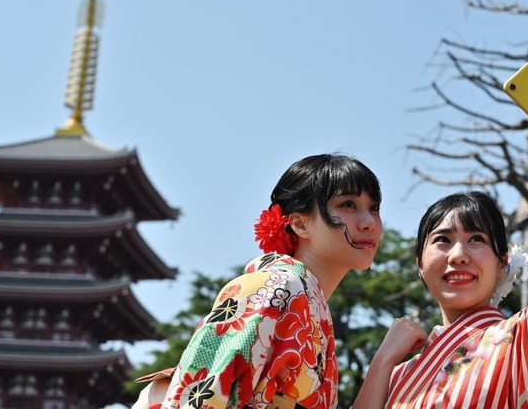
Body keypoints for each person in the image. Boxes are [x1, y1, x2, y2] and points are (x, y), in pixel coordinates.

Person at [353, 89, 528, 408]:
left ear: (502, 264)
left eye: (477, 240)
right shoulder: (399, 374)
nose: (458, 255)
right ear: (420, 266)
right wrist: (384, 359)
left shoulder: (521, 337)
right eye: (442, 240)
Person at [132, 153, 383, 409]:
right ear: (300, 223)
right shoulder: (275, 286)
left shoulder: (308, 303)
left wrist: (384, 359)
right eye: (348, 204)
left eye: (374, 208)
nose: (369, 223)